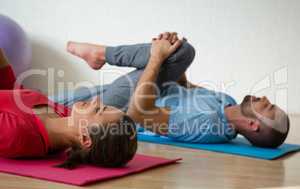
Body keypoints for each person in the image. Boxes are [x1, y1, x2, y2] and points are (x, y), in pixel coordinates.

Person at [67, 31, 290, 148]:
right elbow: (183, 87)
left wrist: (157, 57)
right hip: (133, 89)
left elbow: (138, 113)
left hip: (119, 109)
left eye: (267, 106)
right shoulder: (227, 101)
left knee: (183, 52)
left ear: (253, 125)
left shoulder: (208, 124)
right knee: (180, 52)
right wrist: (171, 64)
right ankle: (101, 55)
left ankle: (101, 55)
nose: (264, 98)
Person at [0, 48, 137, 169]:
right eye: (103, 106)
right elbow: (12, 92)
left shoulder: (16, 134)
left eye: (97, 110)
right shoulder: (65, 114)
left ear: (85, 138)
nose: (96, 100)